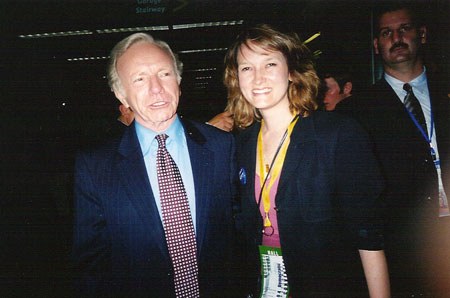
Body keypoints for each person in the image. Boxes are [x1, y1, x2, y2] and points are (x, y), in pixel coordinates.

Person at [224, 24, 390, 297]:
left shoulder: (338, 135)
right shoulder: (239, 145)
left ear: (291, 71)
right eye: (246, 68)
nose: (257, 78)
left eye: (269, 64)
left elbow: (369, 235)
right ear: (236, 78)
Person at [72, 32, 237, 297]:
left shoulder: (221, 146)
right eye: (139, 79)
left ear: (179, 81)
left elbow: (237, 233)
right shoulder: (95, 166)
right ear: (121, 94)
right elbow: (91, 265)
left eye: (164, 74)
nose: (156, 88)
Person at [352, 2, 450, 296]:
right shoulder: (358, 111)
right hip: (404, 246)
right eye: (386, 33)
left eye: (404, 29)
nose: (396, 38)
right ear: (376, 45)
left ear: (422, 34)